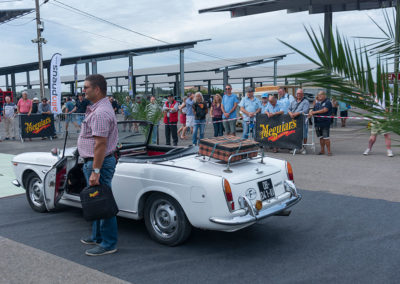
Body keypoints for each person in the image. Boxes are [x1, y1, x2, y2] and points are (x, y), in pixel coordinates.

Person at [78, 74, 119, 256]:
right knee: (96, 200)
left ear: (97, 89)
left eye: (86, 87)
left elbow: (100, 144)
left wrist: (96, 170)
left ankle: (109, 243)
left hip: (98, 164)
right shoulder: (98, 108)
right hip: (95, 163)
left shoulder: (101, 113)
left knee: (102, 202)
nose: (83, 90)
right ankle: (97, 236)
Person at [309, 91, 333, 156]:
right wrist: (311, 112)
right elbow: (313, 110)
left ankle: (329, 151)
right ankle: (322, 151)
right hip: (317, 122)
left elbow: (325, 110)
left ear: (324, 95)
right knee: (321, 137)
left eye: (321, 95)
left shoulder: (327, 102)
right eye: (318, 95)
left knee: (326, 138)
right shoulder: (317, 103)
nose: (319, 96)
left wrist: (314, 112)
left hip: (325, 122)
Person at [288, 88, 310, 154]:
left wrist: (297, 113)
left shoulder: (306, 102)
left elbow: (305, 110)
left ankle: (303, 148)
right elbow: (289, 109)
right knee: (294, 134)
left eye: (300, 94)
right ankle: (296, 147)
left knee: (304, 135)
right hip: (294, 121)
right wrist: (290, 113)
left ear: (302, 94)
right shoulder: (293, 102)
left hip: (302, 121)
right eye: (297, 94)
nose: (298, 95)